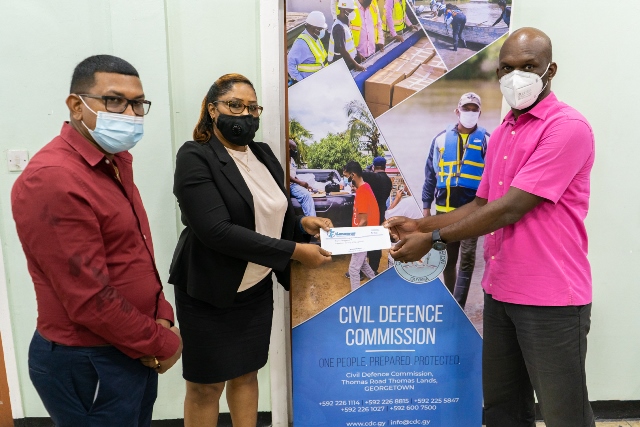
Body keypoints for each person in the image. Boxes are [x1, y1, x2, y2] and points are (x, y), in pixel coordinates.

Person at [386, 28, 596, 426]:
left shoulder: (566, 128)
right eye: (508, 68)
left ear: (550, 70)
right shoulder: (502, 134)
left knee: (563, 412)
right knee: (503, 409)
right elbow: (480, 205)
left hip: (551, 297)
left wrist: (431, 239)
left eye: (529, 67)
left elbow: (510, 208)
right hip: (500, 291)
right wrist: (419, 222)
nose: (517, 77)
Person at [11, 55, 183, 426]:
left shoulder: (114, 160)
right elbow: (89, 298)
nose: (131, 114)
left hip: (130, 348)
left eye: (138, 103)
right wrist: (162, 341)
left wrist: (161, 314)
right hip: (88, 361)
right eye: (115, 100)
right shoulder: (55, 178)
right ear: (76, 105)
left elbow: (131, 253)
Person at [169, 73, 333, 427]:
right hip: (209, 291)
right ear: (213, 110)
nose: (245, 114)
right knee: (206, 386)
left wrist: (302, 224)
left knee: (246, 375)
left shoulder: (263, 153)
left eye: (252, 107)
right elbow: (218, 232)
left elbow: (273, 212)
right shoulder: (195, 157)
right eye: (235, 105)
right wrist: (294, 251)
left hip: (255, 289)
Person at [422, 92, 490, 308]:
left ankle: (457, 306)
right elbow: (431, 175)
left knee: (468, 257)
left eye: (474, 109)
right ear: (457, 111)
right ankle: (450, 299)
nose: (470, 113)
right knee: (447, 259)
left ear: (479, 112)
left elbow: (494, 177)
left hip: (473, 211)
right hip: (445, 212)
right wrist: (426, 208)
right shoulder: (440, 140)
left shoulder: (488, 140)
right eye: (466, 108)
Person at [344, 161, 379, 291]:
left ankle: (355, 297)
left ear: (353, 175)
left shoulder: (362, 191)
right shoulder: (365, 187)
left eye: (346, 176)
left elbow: (363, 221)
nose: (346, 180)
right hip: (365, 235)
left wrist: (354, 238)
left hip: (362, 235)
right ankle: (377, 285)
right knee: (363, 263)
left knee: (353, 269)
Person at [363, 156, 393, 273]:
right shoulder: (388, 180)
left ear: (374, 166)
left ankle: (362, 271)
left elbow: (362, 173)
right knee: (376, 240)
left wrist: (369, 168)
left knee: (365, 240)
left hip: (370, 213)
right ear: (385, 166)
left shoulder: (373, 177)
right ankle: (373, 269)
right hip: (381, 212)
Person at [287, 11, 328, 84]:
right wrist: (300, 81)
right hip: (309, 84)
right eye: (321, 29)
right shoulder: (301, 43)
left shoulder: (315, 38)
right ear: (314, 28)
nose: (323, 31)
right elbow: (289, 63)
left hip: (319, 80)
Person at [328, 0, 367, 72]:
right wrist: (356, 64)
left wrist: (357, 53)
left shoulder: (345, 23)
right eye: (351, 10)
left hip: (346, 62)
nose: (353, 12)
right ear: (344, 10)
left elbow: (349, 44)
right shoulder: (338, 27)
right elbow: (342, 50)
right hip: (340, 64)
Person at [289, 139, 316, 217]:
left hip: (293, 184)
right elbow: (286, 175)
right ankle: (312, 222)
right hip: (289, 185)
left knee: (308, 192)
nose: (295, 151)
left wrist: (303, 184)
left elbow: (293, 175)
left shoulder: (292, 160)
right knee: (306, 196)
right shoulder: (283, 159)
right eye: (294, 149)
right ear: (288, 148)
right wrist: (299, 183)